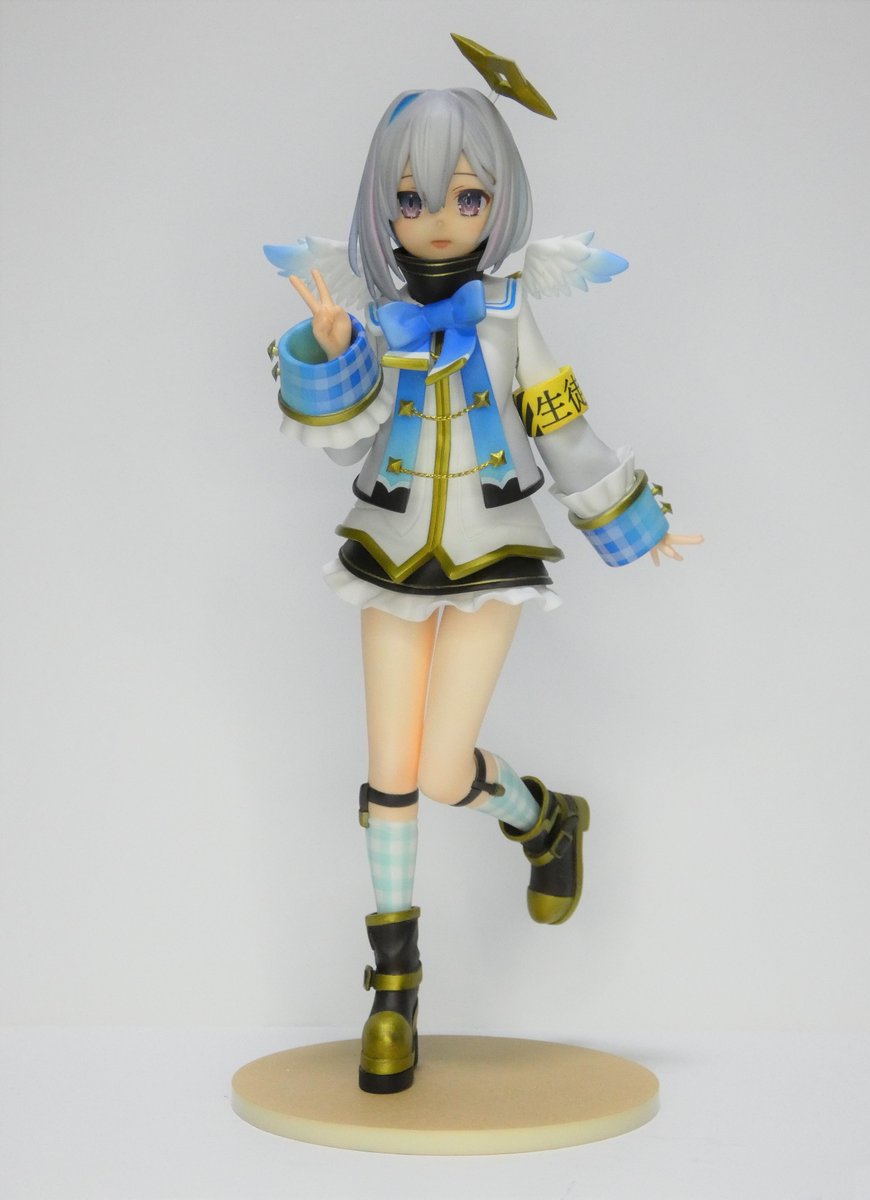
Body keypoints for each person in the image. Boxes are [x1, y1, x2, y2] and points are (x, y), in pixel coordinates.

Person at [264, 84, 700, 1094]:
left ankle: (543, 818)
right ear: (384, 207)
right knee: (389, 774)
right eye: (411, 198)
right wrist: (328, 348)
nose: (439, 219)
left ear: (499, 202)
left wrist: (634, 519)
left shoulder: (509, 314)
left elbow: (558, 419)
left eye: (466, 196)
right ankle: (394, 994)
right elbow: (343, 436)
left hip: (493, 549)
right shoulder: (375, 319)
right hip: (386, 552)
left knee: (441, 767)